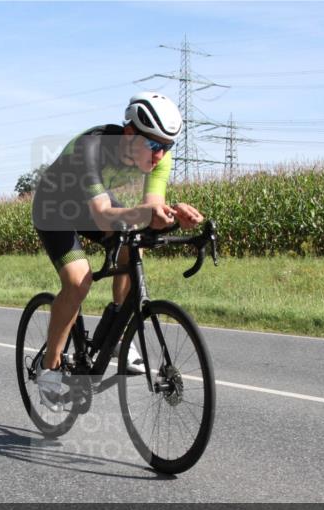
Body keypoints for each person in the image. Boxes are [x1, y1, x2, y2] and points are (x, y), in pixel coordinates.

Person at [31, 92, 204, 410]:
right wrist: (147, 216)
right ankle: (50, 368)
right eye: (153, 146)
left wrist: (175, 216)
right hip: (55, 207)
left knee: (133, 249)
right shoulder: (91, 149)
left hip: (92, 206)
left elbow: (151, 209)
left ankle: (117, 337)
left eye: (167, 147)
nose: (160, 155)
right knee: (78, 280)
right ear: (129, 135)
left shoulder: (160, 157)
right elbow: (103, 216)